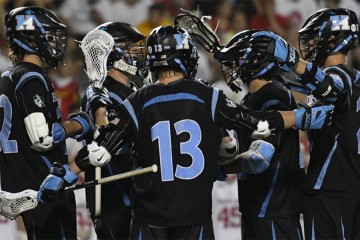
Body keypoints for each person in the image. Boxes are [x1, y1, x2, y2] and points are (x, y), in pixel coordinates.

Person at [37, 26, 333, 240]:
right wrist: (303, 116)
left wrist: (65, 174)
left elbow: (101, 149)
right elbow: (256, 122)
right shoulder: (206, 95)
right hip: (195, 216)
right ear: (186, 57)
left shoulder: (138, 100)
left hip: (149, 219)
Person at [247, 8, 360, 239]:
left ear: (331, 38)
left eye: (315, 37)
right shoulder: (355, 77)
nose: (310, 44)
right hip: (350, 187)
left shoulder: (339, 76)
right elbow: (310, 93)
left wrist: (293, 61)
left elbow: (330, 86)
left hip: (330, 189)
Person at [0, 6, 97, 240]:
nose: (55, 42)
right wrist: (79, 123)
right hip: (46, 185)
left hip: (21, 181)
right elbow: (43, 138)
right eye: (49, 35)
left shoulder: (7, 76)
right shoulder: (32, 76)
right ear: (31, 38)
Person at [216, 29, 304, 239]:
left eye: (237, 59)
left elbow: (260, 157)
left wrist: (223, 167)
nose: (232, 66)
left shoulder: (274, 94)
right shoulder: (251, 99)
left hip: (274, 208)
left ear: (254, 61)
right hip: (258, 206)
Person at [81, 21, 147, 240]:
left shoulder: (135, 90)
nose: (138, 51)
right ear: (113, 52)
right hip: (114, 195)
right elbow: (111, 141)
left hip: (137, 192)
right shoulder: (102, 93)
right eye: (131, 46)